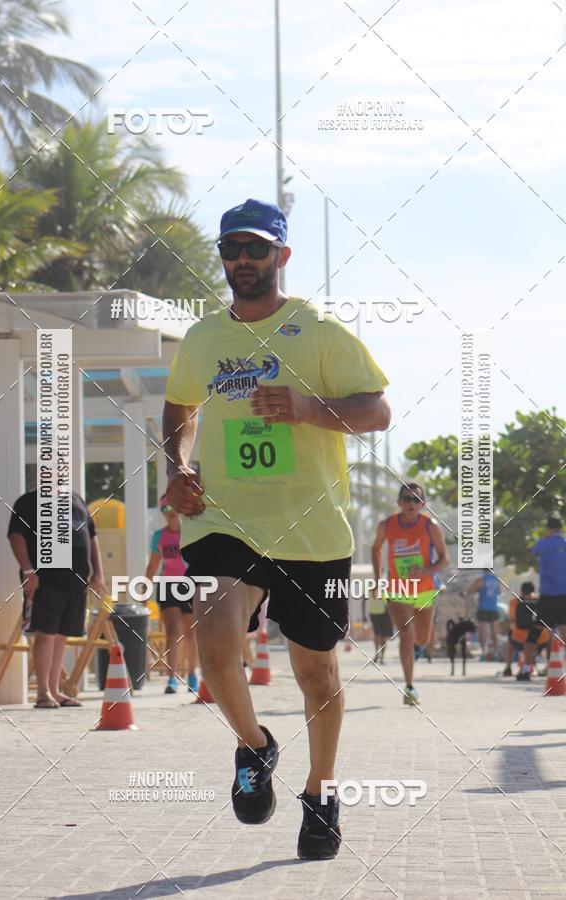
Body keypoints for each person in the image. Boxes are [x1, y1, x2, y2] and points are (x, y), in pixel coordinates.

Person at [162, 197, 390, 860]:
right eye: (231, 249)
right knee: (213, 641)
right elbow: (180, 407)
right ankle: (255, 746)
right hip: (224, 518)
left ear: (281, 257)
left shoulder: (317, 331)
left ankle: (320, 793)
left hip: (311, 525)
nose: (242, 261)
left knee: (315, 673)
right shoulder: (204, 338)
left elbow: (376, 409)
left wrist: (309, 408)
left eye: (256, 249)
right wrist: (177, 465)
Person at [7, 489, 105, 708]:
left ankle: (54, 690)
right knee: (46, 634)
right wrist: (27, 571)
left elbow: (91, 536)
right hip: (46, 579)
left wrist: (98, 572)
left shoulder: (77, 499)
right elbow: (16, 535)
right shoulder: (29, 500)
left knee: (62, 636)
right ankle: (42, 692)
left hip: (76, 580)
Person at [371, 481, 449, 706]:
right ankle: (409, 687)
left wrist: (426, 571)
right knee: (405, 633)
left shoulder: (429, 525)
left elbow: (445, 559)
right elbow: (375, 549)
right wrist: (378, 580)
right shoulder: (386, 525)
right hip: (398, 588)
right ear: (399, 502)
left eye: (416, 499)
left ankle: (418, 647)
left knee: (421, 639)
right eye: (407, 499)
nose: (411, 503)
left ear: (423, 504)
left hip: (424, 590)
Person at [144, 494, 198, 694]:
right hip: (167, 585)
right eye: (165, 509)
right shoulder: (159, 536)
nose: (170, 512)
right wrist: (145, 588)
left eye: (172, 507)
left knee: (191, 633)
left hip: (189, 584)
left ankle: (192, 675)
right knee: (172, 633)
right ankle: (172, 678)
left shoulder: (190, 533)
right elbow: (153, 564)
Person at [524, 514, 566, 672]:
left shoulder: (543, 544)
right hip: (565, 594)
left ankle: (526, 668)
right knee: (564, 631)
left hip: (548, 595)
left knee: (535, 631)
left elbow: (532, 551)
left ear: (548, 529)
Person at [503, 582, 549, 679]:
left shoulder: (514, 601)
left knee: (510, 636)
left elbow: (513, 618)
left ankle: (508, 667)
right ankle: (547, 666)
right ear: (534, 590)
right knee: (548, 636)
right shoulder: (541, 601)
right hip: (541, 638)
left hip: (519, 638)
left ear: (521, 591)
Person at [465, 570, 501, 660]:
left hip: (483, 607)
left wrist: (477, 591)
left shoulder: (481, 578)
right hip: (494, 607)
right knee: (494, 632)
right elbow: (499, 592)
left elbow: (469, 591)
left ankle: (483, 651)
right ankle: (496, 652)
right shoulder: (496, 578)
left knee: (483, 631)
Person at [368, 591, 393, 664]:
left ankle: (382, 657)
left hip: (385, 613)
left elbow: (390, 600)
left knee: (384, 637)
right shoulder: (369, 585)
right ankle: (377, 654)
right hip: (373, 613)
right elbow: (364, 599)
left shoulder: (385, 585)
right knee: (377, 634)